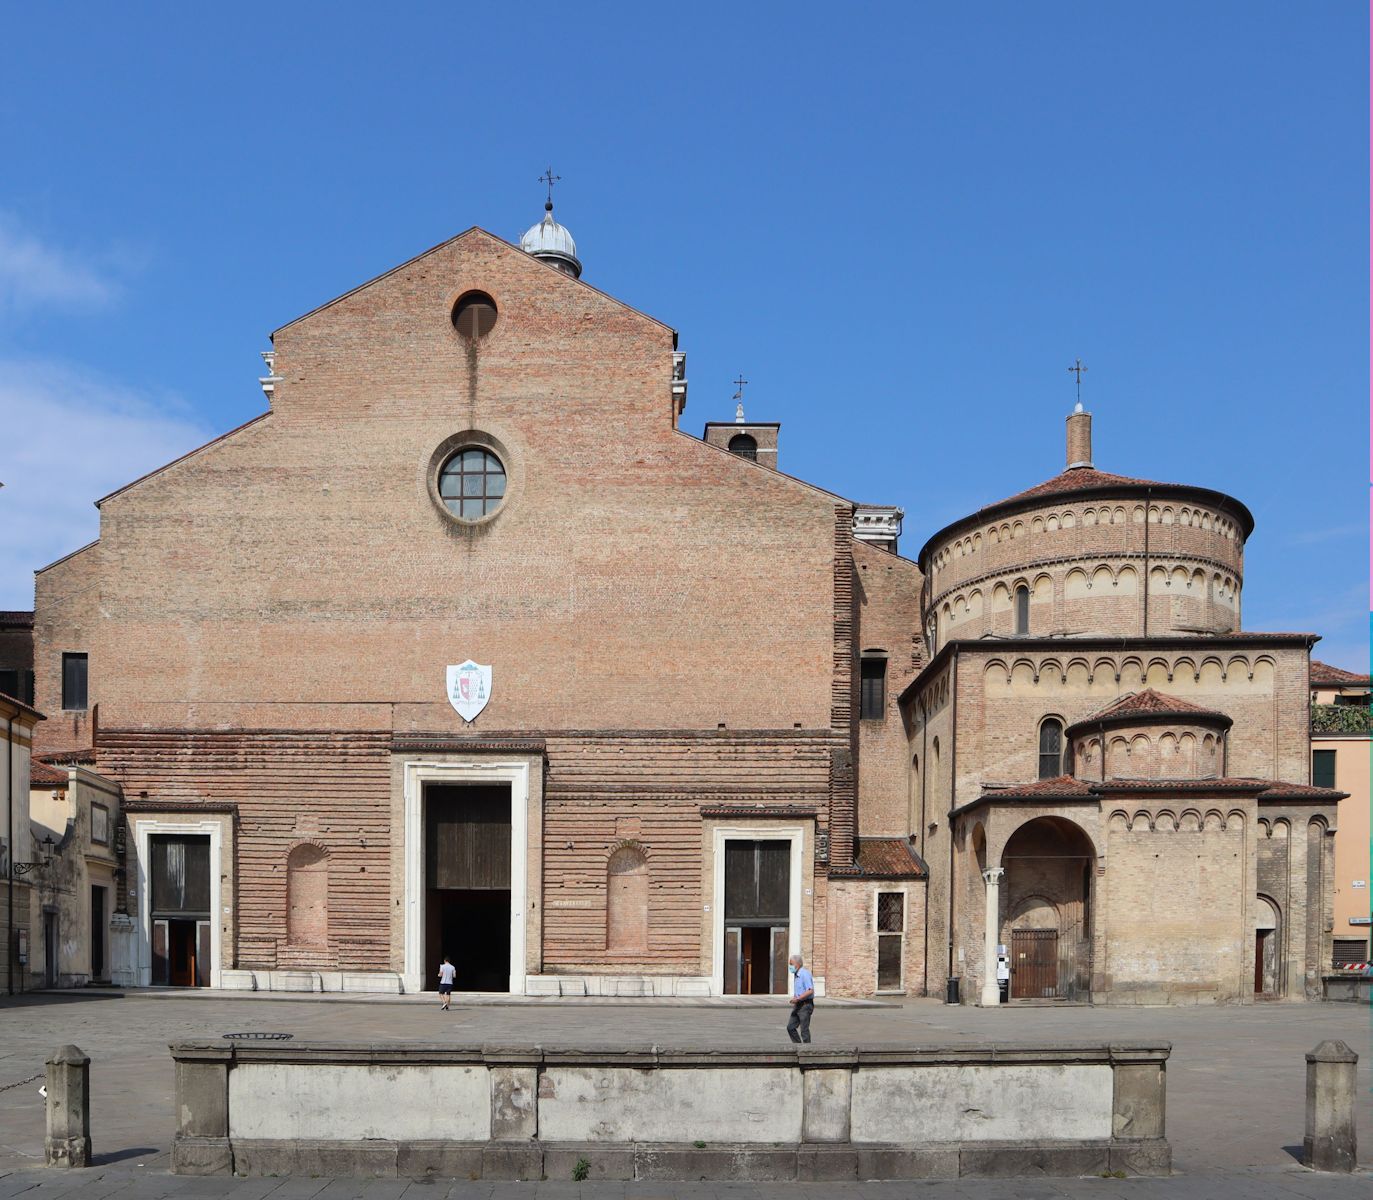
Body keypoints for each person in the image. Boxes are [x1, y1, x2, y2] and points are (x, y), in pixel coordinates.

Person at [786, 953, 814, 1043]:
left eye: (791, 964)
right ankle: (798, 1046)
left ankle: (807, 1051)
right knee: (790, 1027)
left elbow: (810, 990)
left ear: (796, 964)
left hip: (805, 1005)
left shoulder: (804, 974)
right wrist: (795, 997)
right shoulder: (796, 974)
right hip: (798, 1005)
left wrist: (798, 998)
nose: (790, 966)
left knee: (804, 1030)